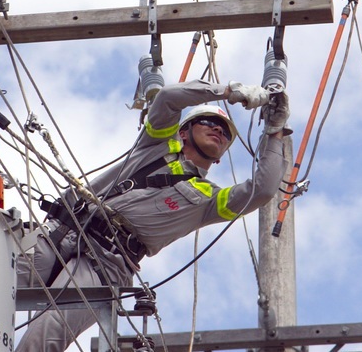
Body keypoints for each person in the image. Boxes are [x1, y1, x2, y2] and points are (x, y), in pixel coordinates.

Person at [15, 79, 290, 352]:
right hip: (65, 231)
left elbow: (263, 190)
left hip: (108, 263)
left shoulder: (210, 200)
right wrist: (229, 92)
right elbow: (169, 97)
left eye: (225, 133)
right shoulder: (155, 145)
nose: (218, 129)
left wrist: (274, 131)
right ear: (183, 133)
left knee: (48, 332)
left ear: (220, 157)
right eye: (208, 122)